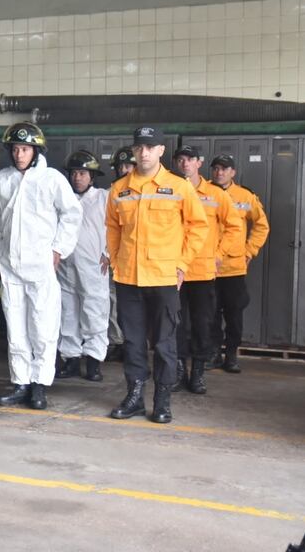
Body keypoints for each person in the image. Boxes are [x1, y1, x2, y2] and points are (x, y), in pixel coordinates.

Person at [107, 126, 208, 424]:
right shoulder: (119, 188)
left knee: (165, 343)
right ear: (134, 150)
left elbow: (198, 227)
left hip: (163, 277)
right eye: (139, 147)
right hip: (128, 278)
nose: (144, 153)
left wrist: (182, 264)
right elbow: (112, 229)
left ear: (161, 150)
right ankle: (135, 397)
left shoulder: (178, 186)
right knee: (133, 342)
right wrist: (116, 260)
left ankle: (162, 400)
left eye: (150, 147)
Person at [0, 122, 82, 410]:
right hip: (10, 266)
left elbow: (72, 214)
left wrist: (58, 248)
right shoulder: (4, 179)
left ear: (36, 151)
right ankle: (20, 383)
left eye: (25, 149)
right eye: (15, 149)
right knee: (16, 327)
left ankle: (39, 385)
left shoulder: (51, 179)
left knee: (42, 325)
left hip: (40, 265)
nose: (19, 154)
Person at [172, 146, 243, 395]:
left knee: (203, 325)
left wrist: (219, 254)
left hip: (202, 272)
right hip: (174, 272)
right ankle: (179, 371)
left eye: (189, 159)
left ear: (198, 163)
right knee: (176, 325)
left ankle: (198, 373)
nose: (185, 164)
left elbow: (235, 227)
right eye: (180, 160)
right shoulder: (170, 191)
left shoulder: (215, 194)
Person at [209, 154, 270, 373]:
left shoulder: (245, 196)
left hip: (233, 268)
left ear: (233, 172)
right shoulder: (203, 193)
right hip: (208, 267)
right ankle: (214, 353)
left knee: (234, 314)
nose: (219, 172)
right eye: (216, 168)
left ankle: (231, 354)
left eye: (224, 169)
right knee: (210, 314)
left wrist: (249, 251)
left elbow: (261, 225)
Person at [56, 150, 110, 383]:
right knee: (68, 312)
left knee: (94, 312)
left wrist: (109, 253)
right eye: (74, 173)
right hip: (65, 266)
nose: (77, 178)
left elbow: (117, 227)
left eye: (82, 173)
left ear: (92, 176)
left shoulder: (103, 198)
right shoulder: (63, 198)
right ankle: (71, 359)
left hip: (94, 266)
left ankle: (94, 361)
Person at [106, 147, 137, 362]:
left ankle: (134, 344)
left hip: (139, 259)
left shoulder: (144, 193)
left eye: (128, 166)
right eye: (121, 166)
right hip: (116, 258)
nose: (124, 170)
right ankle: (118, 341)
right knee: (114, 302)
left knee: (136, 306)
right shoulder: (112, 193)